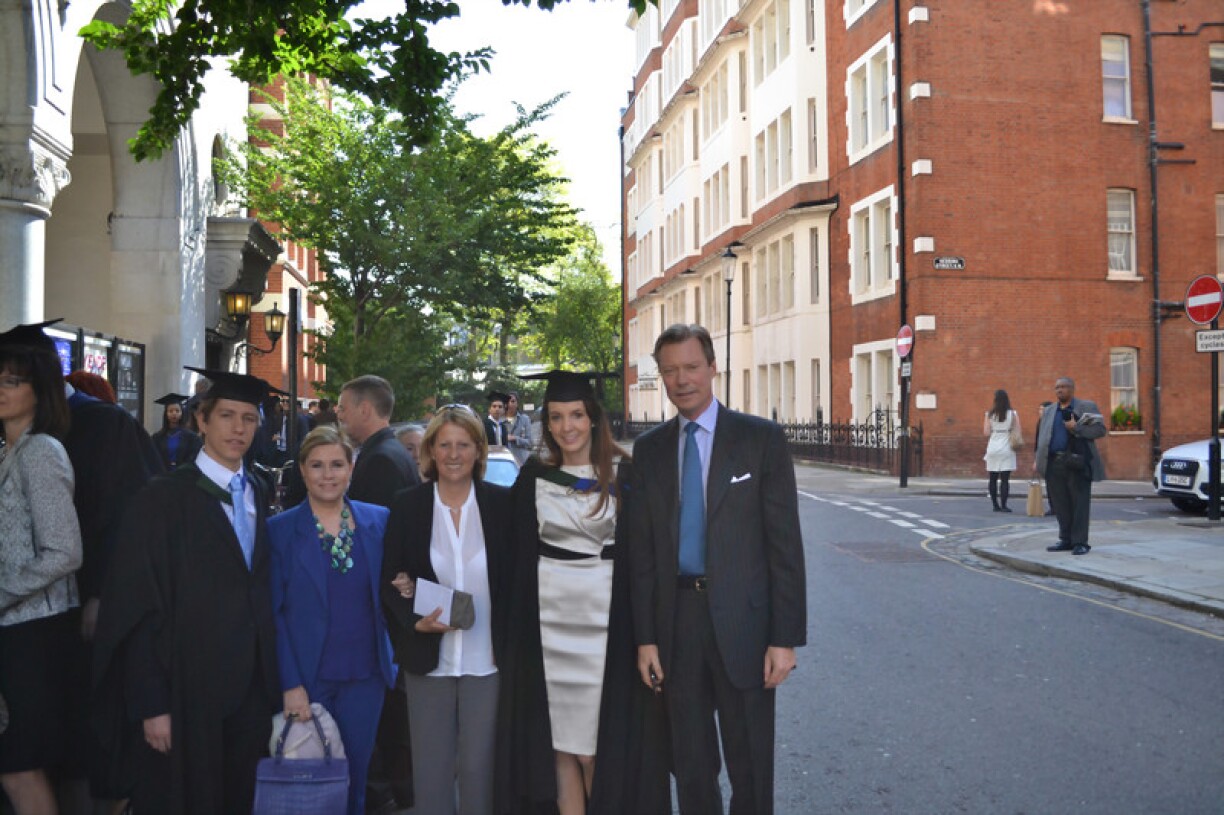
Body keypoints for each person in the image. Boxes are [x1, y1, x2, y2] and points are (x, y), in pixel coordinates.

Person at [629, 324, 807, 815]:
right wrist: (645, 638)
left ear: (712, 368)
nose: (681, 379)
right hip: (676, 623)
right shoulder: (650, 450)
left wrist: (784, 638)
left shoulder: (760, 439)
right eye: (670, 371)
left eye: (690, 367)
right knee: (689, 764)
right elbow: (642, 556)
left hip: (745, 626)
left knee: (750, 764)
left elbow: (785, 547)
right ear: (661, 377)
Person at [92, 368, 281, 814]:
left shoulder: (257, 488)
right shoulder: (161, 499)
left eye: (249, 419)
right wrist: (151, 704)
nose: (238, 429)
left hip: (250, 689)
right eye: (227, 416)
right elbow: (137, 608)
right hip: (185, 689)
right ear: (201, 420)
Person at [496, 371, 669, 815]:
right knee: (558, 749)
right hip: (548, 626)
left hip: (605, 626)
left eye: (575, 414)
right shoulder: (534, 478)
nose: (566, 426)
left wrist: (645, 633)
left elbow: (644, 558)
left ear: (593, 418)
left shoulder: (624, 475)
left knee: (594, 751)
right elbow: (510, 554)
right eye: (556, 417)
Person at [380, 406, 513, 815]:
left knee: (480, 773)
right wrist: (412, 617)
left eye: (463, 445)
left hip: (487, 661)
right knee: (431, 775)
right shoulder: (408, 505)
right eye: (444, 445)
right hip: (429, 661)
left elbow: (519, 581)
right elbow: (391, 579)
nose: (454, 454)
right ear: (431, 451)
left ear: (478, 450)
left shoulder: (503, 506)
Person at [268, 426, 397, 815]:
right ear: (303, 471)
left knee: (354, 782)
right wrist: (290, 684)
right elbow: (273, 613)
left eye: (337, 464)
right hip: (310, 681)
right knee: (310, 789)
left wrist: (404, 585)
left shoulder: (379, 522)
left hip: (366, 676)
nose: (328, 474)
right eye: (317, 465)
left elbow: (395, 587)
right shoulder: (279, 531)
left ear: (351, 468)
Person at [0, 333, 84, 815]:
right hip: (18, 631)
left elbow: (64, 551)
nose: (3, 389)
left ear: (40, 391)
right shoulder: (10, 451)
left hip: (34, 635)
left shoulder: (41, 450)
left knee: (19, 766)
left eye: (14, 381)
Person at [335, 374, 418, 812]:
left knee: (387, 710)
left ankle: (387, 790)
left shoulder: (381, 461)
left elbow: (378, 541)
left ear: (365, 409)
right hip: (390, 604)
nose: (339, 414)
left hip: (383, 605)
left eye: (344, 407)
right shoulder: (387, 452)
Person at [1035, 377, 1106, 556]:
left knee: (1079, 504)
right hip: (1054, 463)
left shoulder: (1085, 407)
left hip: (1077, 462)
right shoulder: (1050, 410)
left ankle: (1080, 542)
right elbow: (1042, 436)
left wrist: (1076, 428)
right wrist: (1039, 459)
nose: (1060, 390)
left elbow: (1099, 430)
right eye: (1057, 387)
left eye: (1064, 387)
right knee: (1060, 504)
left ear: (1072, 389)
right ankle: (1065, 539)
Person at [983, 389, 1020, 512]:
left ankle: (995, 505)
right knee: (1005, 479)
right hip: (1007, 447)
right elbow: (1017, 430)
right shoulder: (1013, 414)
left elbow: (986, 432)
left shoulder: (989, 414)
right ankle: (1004, 505)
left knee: (992, 478)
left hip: (993, 446)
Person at [150, 392, 203, 471]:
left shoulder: (192, 437)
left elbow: (194, 458)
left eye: (177, 411)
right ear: (166, 414)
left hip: (184, 476)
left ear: (182, 413)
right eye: (170, 411)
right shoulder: (157, 437)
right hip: (163, 476)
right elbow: (154, 458)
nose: (174, 414)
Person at [504, 391, 534, 465]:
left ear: (517, 403)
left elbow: (530, 443)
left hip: (522, 461)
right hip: (505, 462)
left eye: (513, 401)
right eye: (508, 401)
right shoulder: (500, 421)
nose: (510, 404)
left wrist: (515, 438)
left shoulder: (524, 419)